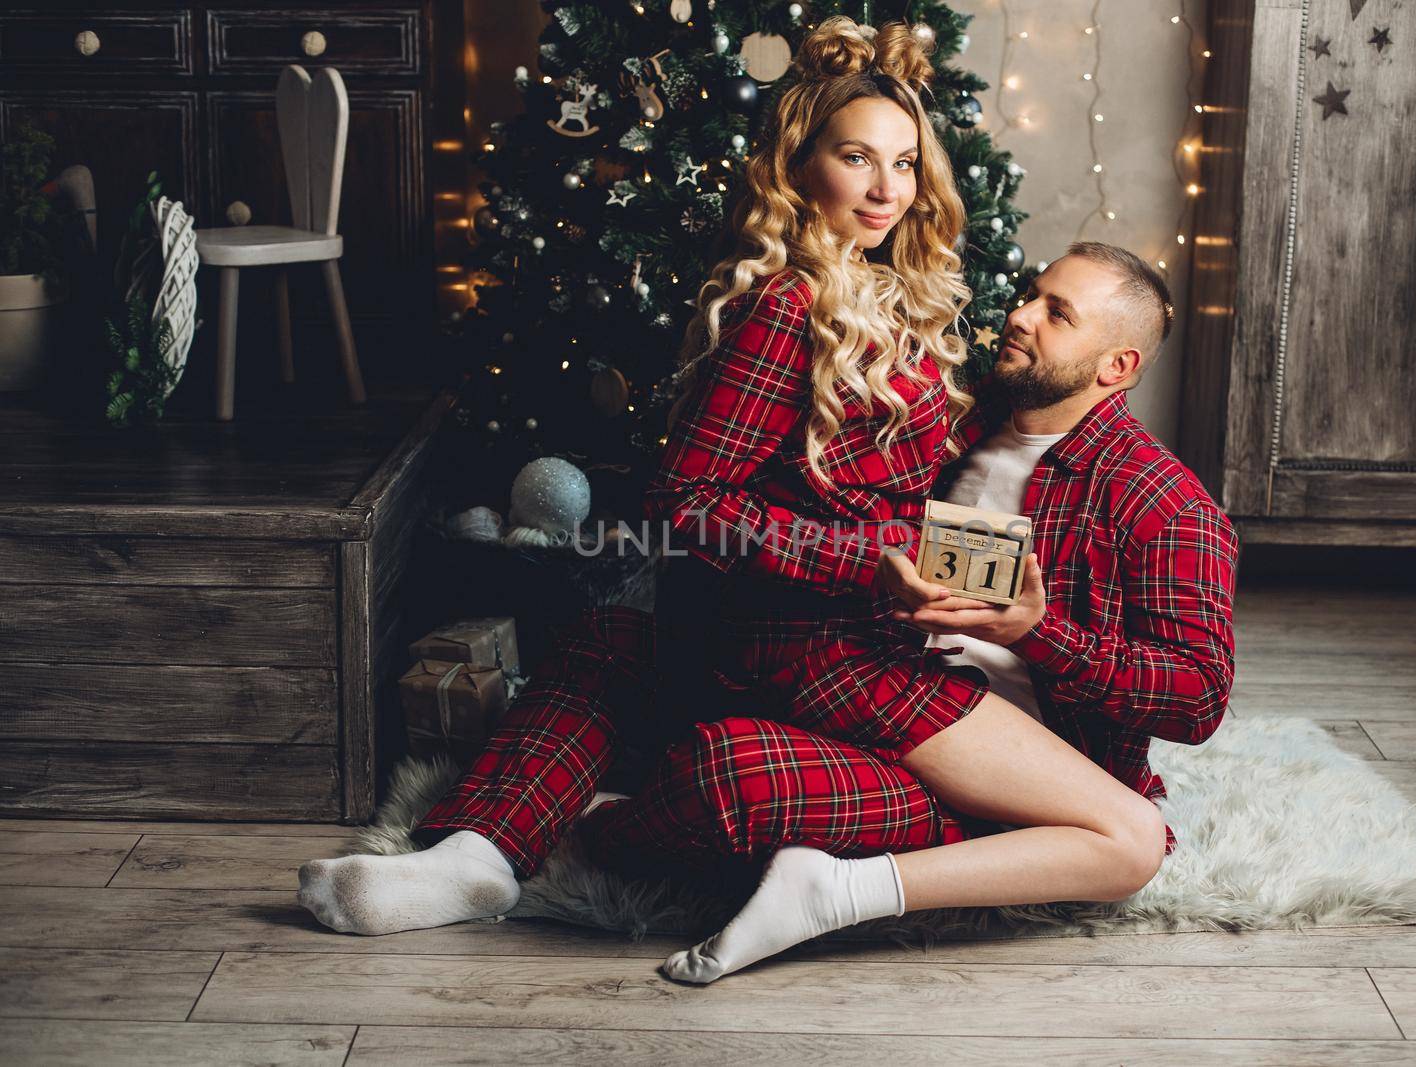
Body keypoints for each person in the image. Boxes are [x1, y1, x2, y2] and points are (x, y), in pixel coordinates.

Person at [297, 21, 1232, 959]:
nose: (885, 188)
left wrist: (1011, 618)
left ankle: (517, 847)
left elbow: (1183, 687)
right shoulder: (788, 306)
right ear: (801, 165)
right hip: (839, 647)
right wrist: (877, 561)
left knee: (637, 669)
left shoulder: (941, 338)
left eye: (903, 164)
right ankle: (481, 849)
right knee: (627, 650)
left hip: (877, 653)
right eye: (857, 158)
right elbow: (689, 501)